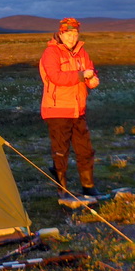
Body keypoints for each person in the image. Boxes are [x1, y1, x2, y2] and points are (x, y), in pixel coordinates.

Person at [39, 17, 100, 203]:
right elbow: (57, 77)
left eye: (75, 33)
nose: (72, 38)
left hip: (78, 110)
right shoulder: (51, 53)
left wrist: (92, 80)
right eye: (68, 33)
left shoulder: (82, 53)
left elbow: (91, 72)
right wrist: (82, 76)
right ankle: (62, 190)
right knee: (60, 151)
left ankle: (88, 188)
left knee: (85, 150)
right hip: (57, 110)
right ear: (60, 33)